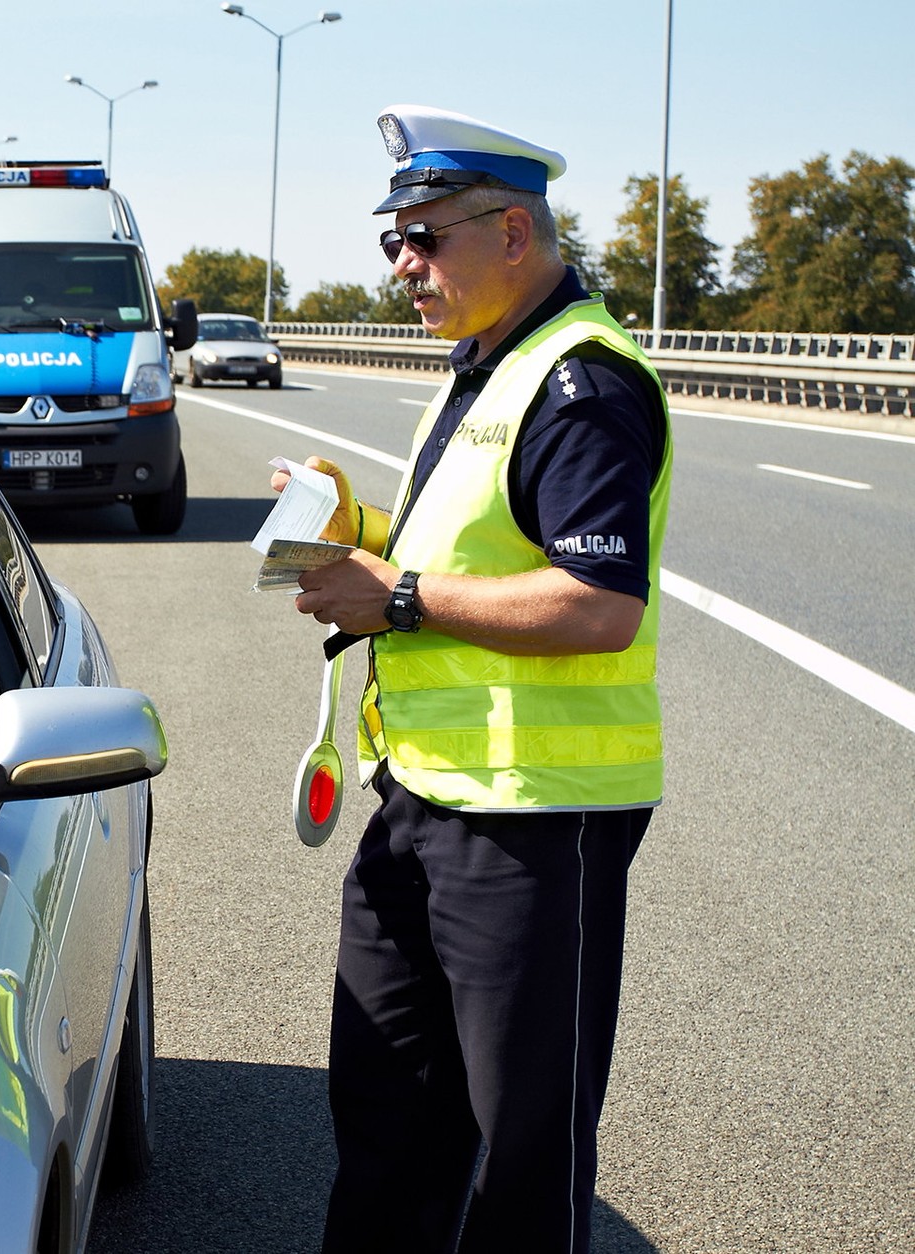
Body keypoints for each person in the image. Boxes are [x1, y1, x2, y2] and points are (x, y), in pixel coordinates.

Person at [280, 104, 673, 1253]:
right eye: (391, 240)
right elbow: (474, 551)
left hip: (534, 819)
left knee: (519, 1155)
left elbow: (596, 604)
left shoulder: (577, 384)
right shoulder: (486, 367)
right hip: (423, 797)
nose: (401, 262)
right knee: (388, 1121)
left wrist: (395, 597)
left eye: (422, 237)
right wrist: (352, 533)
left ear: (510, 233)